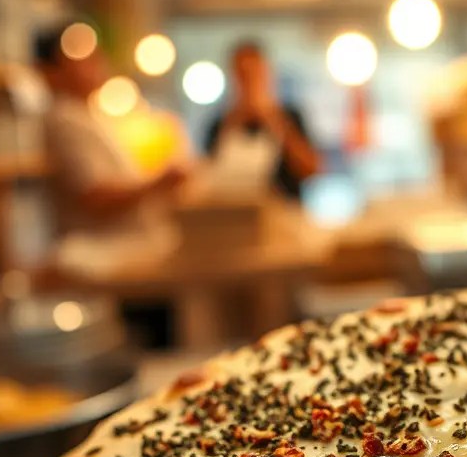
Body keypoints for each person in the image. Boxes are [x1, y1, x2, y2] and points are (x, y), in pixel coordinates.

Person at [35, 23, 189, 278]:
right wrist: (158, 182)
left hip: (133, 251)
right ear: (51, 71)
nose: (96, 63)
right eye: (80, 59)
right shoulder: (65, 118)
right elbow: (94, 196)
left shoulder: (90, 115)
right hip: (108, 257)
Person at [204, 42, 320, 199]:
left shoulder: (291, 116)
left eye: (254, 73)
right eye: (242, 74)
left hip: (284, 215)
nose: (249, 81)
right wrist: (232, 124)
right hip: (234, 215)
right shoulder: (219, 125)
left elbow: (312, 170)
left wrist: (274, 122)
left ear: (267, 73)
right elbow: (206, 177)